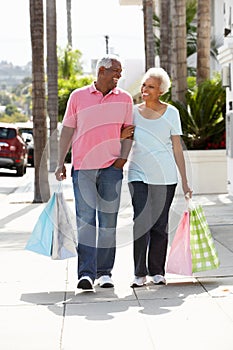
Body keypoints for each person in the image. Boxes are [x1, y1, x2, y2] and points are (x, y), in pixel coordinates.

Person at [55, 55, 134, 290]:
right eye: (116, 71)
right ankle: (86, 274)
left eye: (120, 72)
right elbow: (67, 131)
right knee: (86, 222)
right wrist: (61, 162)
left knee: (108, 222)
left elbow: (128, 132)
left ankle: (104, 273)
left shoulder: (125, 99)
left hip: (112, 169)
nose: (119, 76)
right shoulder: (78, 97)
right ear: (102, 71)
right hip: (83, 169)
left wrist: (122, 160)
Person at [122, 67, 192, 288]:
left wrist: (185, 180)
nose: (144, 89)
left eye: (150, 86)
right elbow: (125, 141)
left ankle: (157, 271)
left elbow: (177, 148)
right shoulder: (132, 112)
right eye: (144, 85)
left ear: (161, 90)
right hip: (137, 174)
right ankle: (139, 273)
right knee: (140, 221)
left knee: (159, 225)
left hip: (165, 176)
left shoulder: (172, 113)